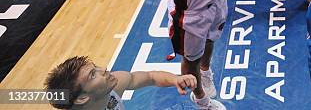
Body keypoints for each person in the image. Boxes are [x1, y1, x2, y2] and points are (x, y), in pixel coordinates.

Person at [45, 56, 197, 109]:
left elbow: (151, 77)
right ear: (81, 98)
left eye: (95, 67)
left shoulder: (113, 86)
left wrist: (175, 79)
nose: (104, 69)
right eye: (93, 74)